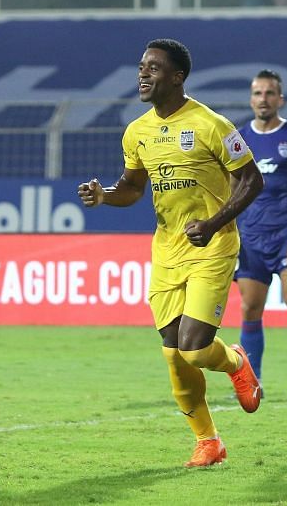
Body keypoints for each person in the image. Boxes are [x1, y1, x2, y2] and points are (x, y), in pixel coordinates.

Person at [78, 38, 264, 467]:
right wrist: (104, 195)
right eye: (142, 67)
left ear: (177, 77)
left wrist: (214, 223)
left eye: (154, 68)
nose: (143, 74)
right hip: (167, 251)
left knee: (195, 349)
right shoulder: (137, 131)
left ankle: (236, 361)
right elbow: (133, 187)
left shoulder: (210, 124)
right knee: (172, 352)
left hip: (212, 245)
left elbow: (252, 180)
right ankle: (208, 441)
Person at [235, 69, 287, 400]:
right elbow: (232, 190)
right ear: (251, 98)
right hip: (251, 238)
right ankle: (252, 383)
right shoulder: (238, 139)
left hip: (286, 237)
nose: (263, 99)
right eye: (257, 93)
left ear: (280, 99)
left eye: (270, 93)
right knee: (249, 310)